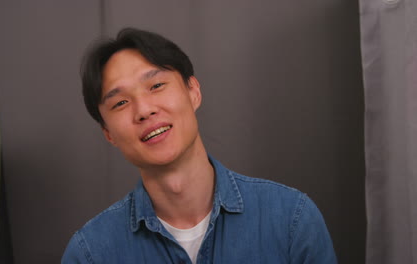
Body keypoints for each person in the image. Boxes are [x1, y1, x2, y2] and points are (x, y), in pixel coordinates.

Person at [62, 28, 337, 264]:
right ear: (108, 133)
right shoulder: (90, 253)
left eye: (156, 85)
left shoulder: (292, 218)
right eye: (120, 102)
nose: (144, 110)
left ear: (193, 91)